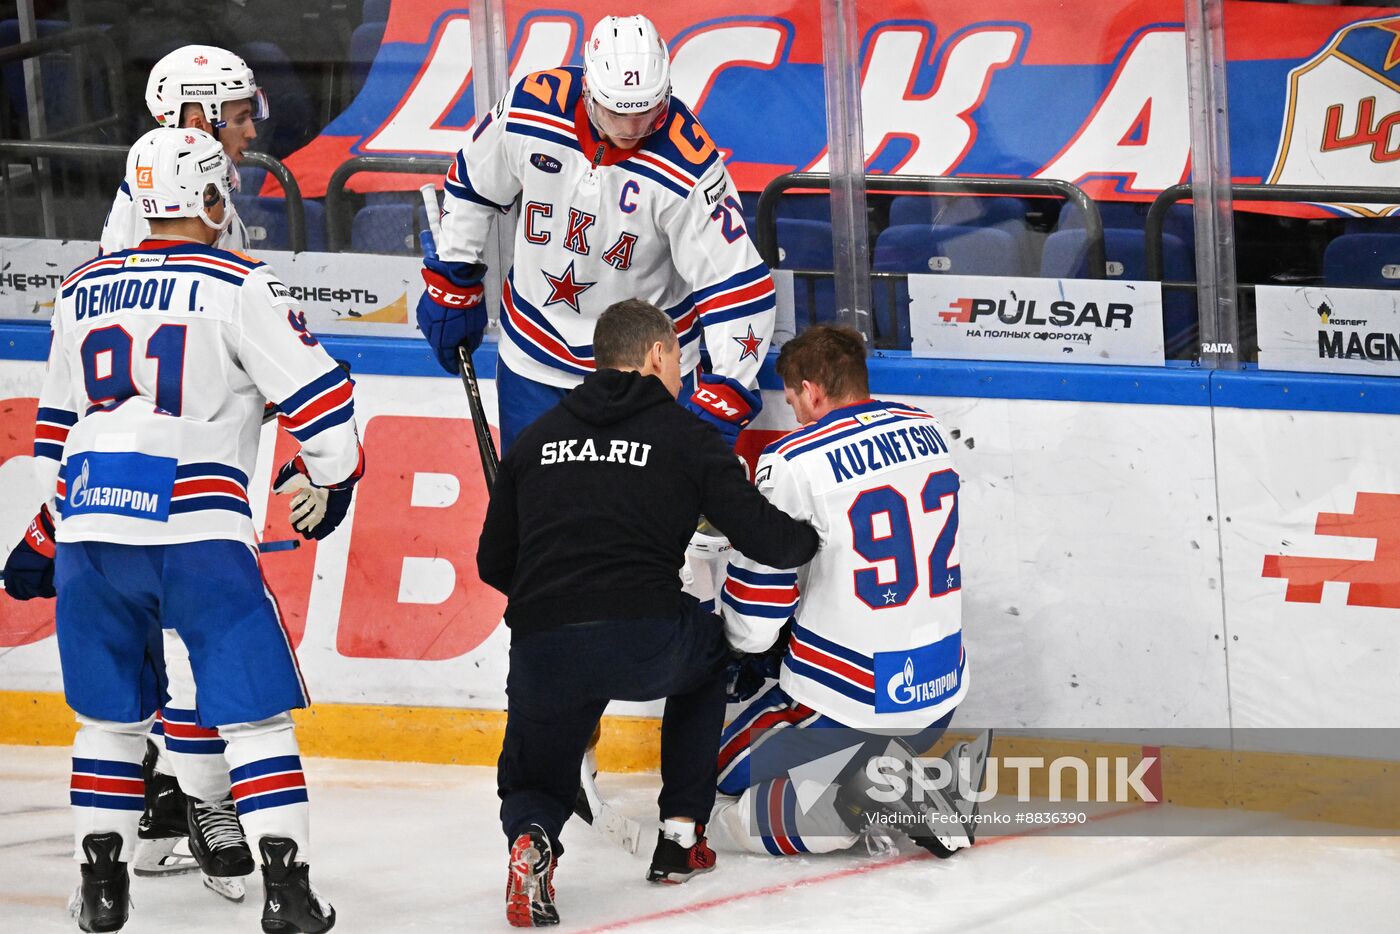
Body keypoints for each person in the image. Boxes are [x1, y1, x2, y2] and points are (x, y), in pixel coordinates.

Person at [1, 127, 358, 934]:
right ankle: (289, 893)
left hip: (92, 533)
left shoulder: (80, 287)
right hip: (197, 531)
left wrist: (54, 528)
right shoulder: (238, 283)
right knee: (254, 722)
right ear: (208, 199)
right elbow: (324, 407)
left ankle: (102, 887)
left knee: (109, 723)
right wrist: (332, 477)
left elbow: (50, 435)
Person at [476, 299, 818, 927]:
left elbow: (492, 561)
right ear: (658, 354)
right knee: (709, 655)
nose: (683, 377)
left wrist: (558, 606)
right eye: (680, 362)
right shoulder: (685, 436)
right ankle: (681, 836)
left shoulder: (537, 438)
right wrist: (815, 540)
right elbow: (764, 536)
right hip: (646, 635)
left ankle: (530, 836)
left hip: (543, 637)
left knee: (538, 756)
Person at [417, 13, 774, 453]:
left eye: (646, 112)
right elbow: (474, 180)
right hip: (533, 358)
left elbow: (738, 285)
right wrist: (454, 276)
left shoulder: (690, 166)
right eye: (616, 112)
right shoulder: (533, 106)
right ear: (588, 88)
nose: (631, 129)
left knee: (650, 517)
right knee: (536, 513)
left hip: (646, 373)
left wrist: (726, 393)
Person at [710, 325, 992, 859]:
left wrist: (728, 639)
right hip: (937, 694)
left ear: (812, 390)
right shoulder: (927, 429)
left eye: (793, 399)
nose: (794, 413)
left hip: (850, 703)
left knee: (715, 785)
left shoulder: (794, 459)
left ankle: (867, 798)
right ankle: (891, 773)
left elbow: (756, 615)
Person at [94, 43, 270, 892]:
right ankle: (199, 800)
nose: (249, 127)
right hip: (173, 479)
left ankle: (166, 793)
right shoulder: (152, 217)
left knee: (184, 639)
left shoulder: (189, 193)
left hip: (189, 466)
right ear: (193, 117)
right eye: (234, 113)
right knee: (198, 639)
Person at [100, 44, 268, 255]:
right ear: (198, 126)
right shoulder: (161, 202)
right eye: (240, 119)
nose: (251, 132)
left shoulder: (195, 185)